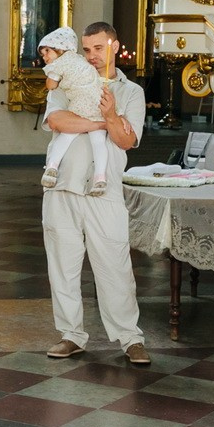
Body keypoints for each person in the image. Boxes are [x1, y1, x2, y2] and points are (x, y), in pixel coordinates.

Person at [40, 22, 151, 365]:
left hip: (106, 192)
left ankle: (130, 338)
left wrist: (110, 114)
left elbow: (127, 140)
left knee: (115, 266)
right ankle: (71, 335)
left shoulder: (131, 92)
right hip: (61, 189)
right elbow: (58, 121)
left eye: (98, 48)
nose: (91, 56)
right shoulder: (68, 80)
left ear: (114, 46)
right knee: (63, 265)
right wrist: (102, 123)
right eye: (86, 49)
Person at [37, 27, 107, 194]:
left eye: (47, 51)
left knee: (67, 135)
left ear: (60, 48)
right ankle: (100, 178)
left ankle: (51, 168)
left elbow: (51, 85)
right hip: (97, 102)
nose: (45, 57)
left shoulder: (59, 64)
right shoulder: (80, 59)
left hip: (81, 104)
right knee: (99, 143)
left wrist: (52, 80)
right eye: (42, 54)